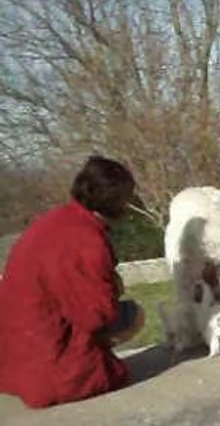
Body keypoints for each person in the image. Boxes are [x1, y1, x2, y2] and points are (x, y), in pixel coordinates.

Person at [0, 156, 145, 408]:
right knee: (134, 314)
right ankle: (88, 363)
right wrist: (113, 287)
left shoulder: (56, 220)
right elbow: (96, 315)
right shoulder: (87, 240)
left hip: (19, 348)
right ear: (116, 200)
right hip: (52, 365)